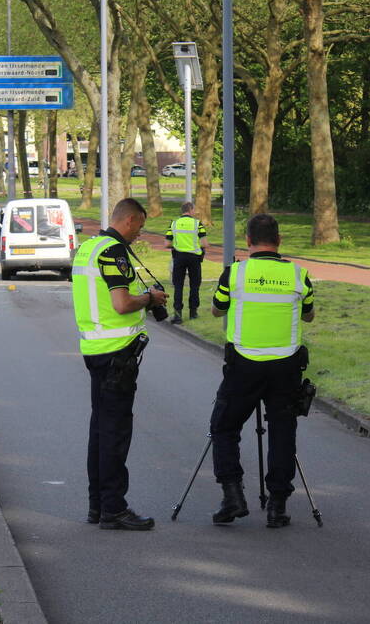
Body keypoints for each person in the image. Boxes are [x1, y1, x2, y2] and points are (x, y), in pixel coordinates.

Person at [208, 213, 315, 528]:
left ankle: (232, 495)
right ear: (279, 240)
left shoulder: (234, 274)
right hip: (286, 366)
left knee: (224, 427)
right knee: (282, 432)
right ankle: (277, 506)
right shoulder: (298, 274)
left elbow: (217, 310)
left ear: (248, 241)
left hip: (244, 364)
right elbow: (309, 316)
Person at [72, 197, 168, 530]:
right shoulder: (113, 252)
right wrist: (150, 299)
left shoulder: (87, 248)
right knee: (115, 433)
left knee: (99, 430)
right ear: (128, 220)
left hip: (95, 350)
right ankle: (114, 507)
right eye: (140, 227)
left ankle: (97, 506)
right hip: (117, 354)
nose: (139, 235)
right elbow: (122, 303)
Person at [165, 202, 208, 324]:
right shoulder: (197, 224)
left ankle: (177, 315)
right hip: (194, 258)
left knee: (178, 286)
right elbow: (205, 244)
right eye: (194, 210)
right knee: (194, 286)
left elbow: (167, 244)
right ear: (191, 210)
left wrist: (178, 245)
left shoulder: (174, 224)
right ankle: (193, 313)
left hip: (178, 257)